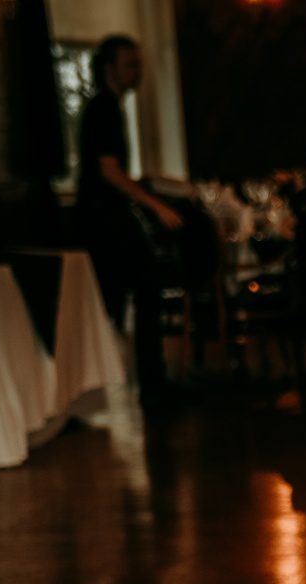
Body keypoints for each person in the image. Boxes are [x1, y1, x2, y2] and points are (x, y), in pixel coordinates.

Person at [76, 34, 180, 396]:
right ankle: (146, 382)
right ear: (109, 68)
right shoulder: (103, 108)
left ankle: (140, 380)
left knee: (131, 294)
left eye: (139, 65)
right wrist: (156, 205)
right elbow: (108, 171)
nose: (138, 72)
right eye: (131, 65)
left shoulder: (110, 108)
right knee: (140, 288)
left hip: (107, 216)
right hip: (103, 219)